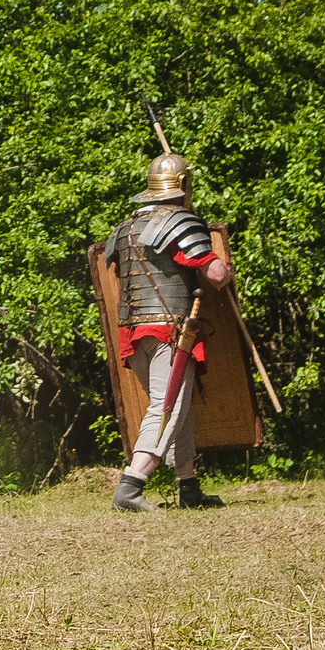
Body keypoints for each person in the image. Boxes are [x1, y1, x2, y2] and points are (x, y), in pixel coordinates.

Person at [104, 153, 234, 513]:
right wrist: (225, 267)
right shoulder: (180, 221)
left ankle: (188, 486)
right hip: (169, 330)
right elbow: (215, 274)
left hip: (134, 331)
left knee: (179, 405)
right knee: (168, 406)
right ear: (182, 186)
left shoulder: (126, 227)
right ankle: (131, 486)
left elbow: (115, 275)